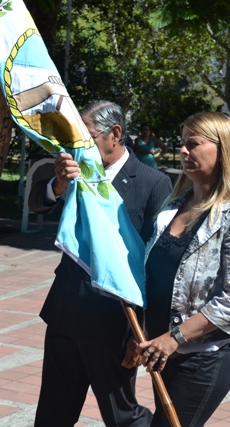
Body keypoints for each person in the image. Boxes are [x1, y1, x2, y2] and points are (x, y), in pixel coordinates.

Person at [34, 100, 173, 426]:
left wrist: (141, 333)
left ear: (115, 133)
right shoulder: (75, 172)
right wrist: (59, 186)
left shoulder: (153, 182)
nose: (79, 146)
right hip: (65, 311)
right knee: (53, 413)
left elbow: (158, 265)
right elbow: (36, 203)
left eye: (88, 137)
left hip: (115, 321)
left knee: (121, 416)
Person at [122, 112, 230, 426]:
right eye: (182, 143)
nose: (184, 151)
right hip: (164, 354)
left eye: (193, 144)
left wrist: (174, 338)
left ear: (222, 149)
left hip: (204, 358)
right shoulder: (173, 206)